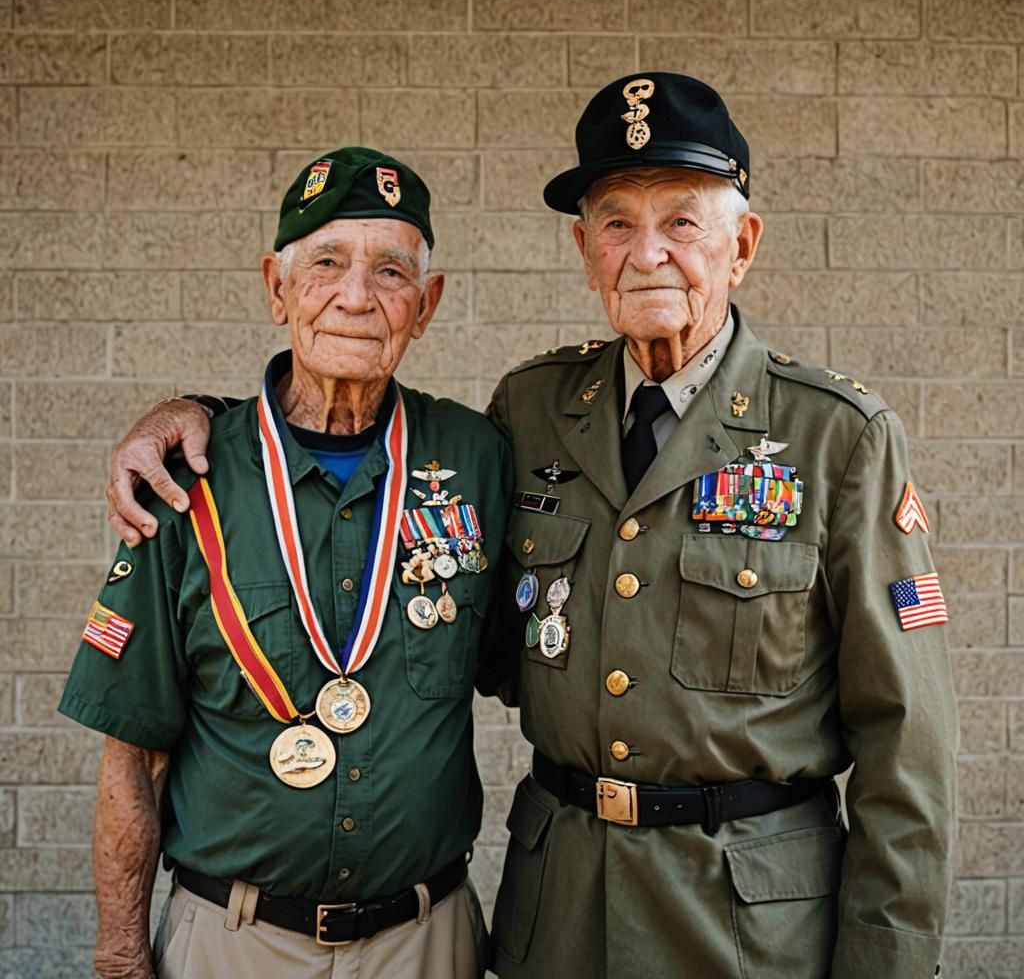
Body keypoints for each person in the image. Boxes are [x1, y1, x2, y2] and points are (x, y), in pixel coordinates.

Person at [106, 75, 958, 979]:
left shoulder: (838, 437)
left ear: (741, 245)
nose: (647, 253)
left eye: (682, 221)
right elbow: (354, 443)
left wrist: (888, 964)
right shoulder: (534, 411)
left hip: (751, 926)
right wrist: (196, 414)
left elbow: (907, 744)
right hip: (561, 913)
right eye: (617, 222)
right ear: (585, 248)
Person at [61, 146, 510, 979]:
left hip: (426, 939)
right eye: (327, 263)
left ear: (428, 302)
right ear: (277, 288)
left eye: (391, 271)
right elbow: (132, 757)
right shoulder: (184, 475)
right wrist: (121, 956)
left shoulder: (479, 457)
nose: (355, 296)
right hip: (232, 941)